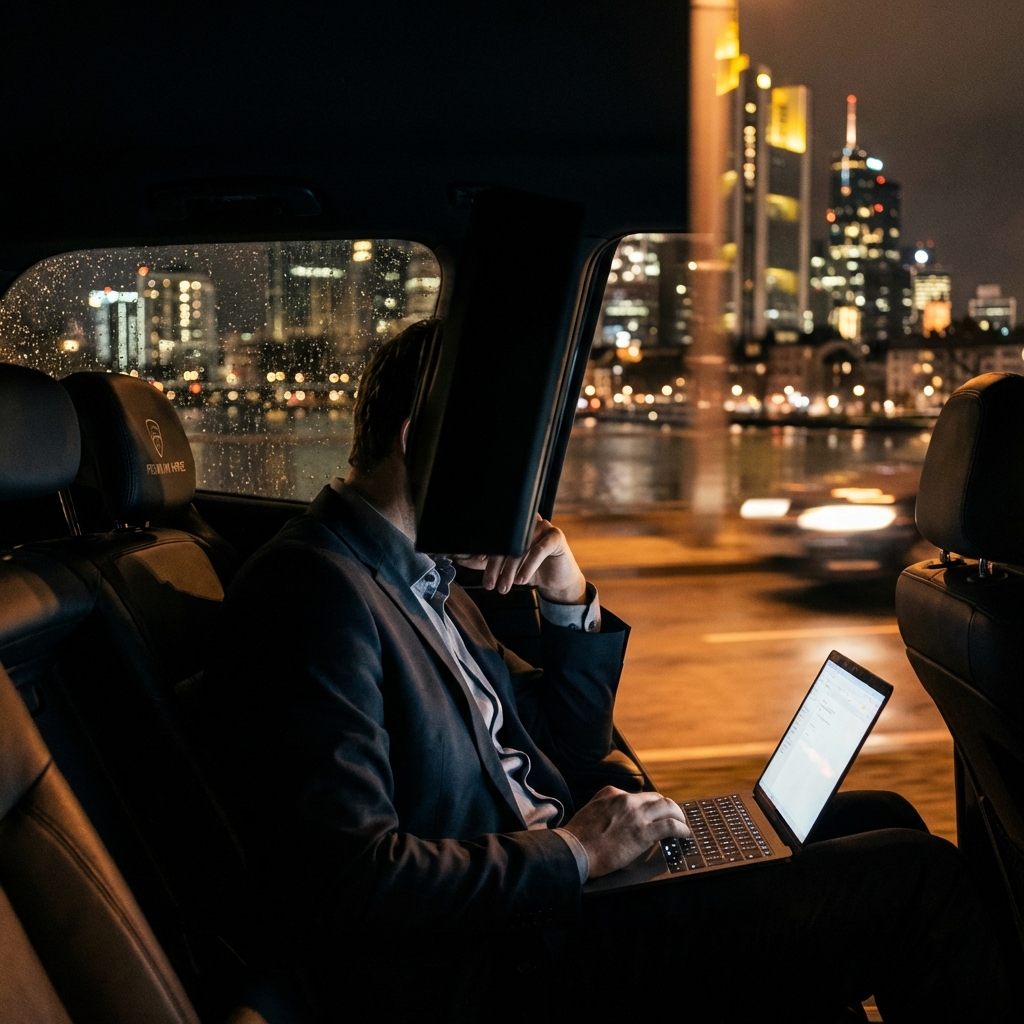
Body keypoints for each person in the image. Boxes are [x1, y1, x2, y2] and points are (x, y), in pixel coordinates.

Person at [202, 319, 1015, 1023]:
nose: (524, 483)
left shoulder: (427, 580)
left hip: (559, 900)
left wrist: (568, 598)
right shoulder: (314, 592)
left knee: (885, 813)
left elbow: (562, 743)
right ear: (428, 439)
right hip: (513, 963)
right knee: (919, 882)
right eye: (510, 445)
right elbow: (352, 881)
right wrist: (578, 855)